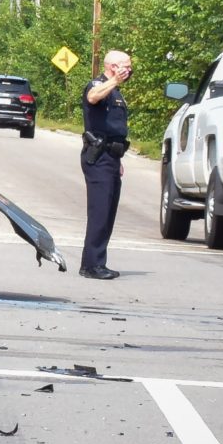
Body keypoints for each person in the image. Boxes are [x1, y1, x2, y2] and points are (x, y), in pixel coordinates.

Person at [79, 49, 133, 279]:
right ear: (112, 67)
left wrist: (118, 159)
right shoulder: (99, 84)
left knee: (108, 213)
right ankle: (92, 265)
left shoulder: (116, 92)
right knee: (99, 212)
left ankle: (96, 262)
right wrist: (113, 80)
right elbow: (92, 97)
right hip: (98, 156)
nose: (129, 70)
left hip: (111, 157)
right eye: (126, 66)